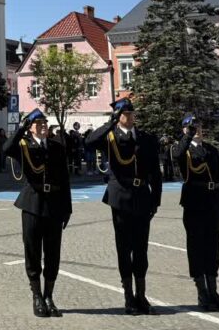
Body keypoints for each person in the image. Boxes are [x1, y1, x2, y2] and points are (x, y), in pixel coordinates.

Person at [85, 98, 161, 315]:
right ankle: (128, 296)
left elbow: (155, 171)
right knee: (124, 247)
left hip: (142, 196)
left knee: (141, 249)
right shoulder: (110, 138)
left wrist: (155, 199)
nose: (129, 117)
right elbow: (89, 143)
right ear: (119, 116)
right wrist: (111, 123)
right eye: (125, 114)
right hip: (120, 197)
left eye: (131, 113)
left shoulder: (145, 139)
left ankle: (141, 296)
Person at [4, 109, 71, 318]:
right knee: (32, 251)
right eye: (38, 123)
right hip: (32, 204)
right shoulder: (23, 145)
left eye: (44, 122)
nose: (43, 126)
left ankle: (49, 295)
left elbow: (65, 178)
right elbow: (6, 148)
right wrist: (22, 127)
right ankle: (37, 296)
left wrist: (67, 208)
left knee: (53, 253)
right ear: (31, 127)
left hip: (54, 205)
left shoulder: (57, 146)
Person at [173, 115, 219, 312]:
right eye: (191, 126)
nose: (197, 129)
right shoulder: (183, 149)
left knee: (212, 248)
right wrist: (187, 136)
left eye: (198, 126)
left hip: (213, 203)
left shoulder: (211, 150)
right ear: (184, 129)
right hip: (194, 203)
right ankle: (202, 293)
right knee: (196, 248)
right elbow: (177, 156)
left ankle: (213, 291)